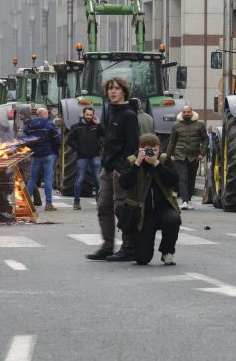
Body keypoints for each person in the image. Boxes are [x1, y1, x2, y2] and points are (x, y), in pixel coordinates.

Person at [86, 77, 140, 261]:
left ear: (124, 91)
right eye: (110, 89)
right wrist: (100, 128)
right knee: (103, 206)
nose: (112, 91)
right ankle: (107, 246)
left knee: (121, 207)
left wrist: (122, 167)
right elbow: (111, 138)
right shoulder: (110, 112)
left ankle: (129, 246)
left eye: (116, 88)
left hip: (119, 169)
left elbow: (133, 145)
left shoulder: (129, 115)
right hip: (107, 167)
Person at [118, 133, 181, 266]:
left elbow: (174, 180)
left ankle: (167, 251)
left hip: (163, 209)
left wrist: (157, 164)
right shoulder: (131, 161)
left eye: (155, 149)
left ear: (159, 149)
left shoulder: (164, 159)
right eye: (147, 149)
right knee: (142, 259)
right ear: (140, 149)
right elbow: (124, 184)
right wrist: (137, 164)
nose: (151, 152)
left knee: (173, 219)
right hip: (142, 213)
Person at [19, 106, 62, 210]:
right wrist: (55, 152)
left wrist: (32, 149)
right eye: (47, 114)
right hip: (48, 154)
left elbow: (24, 140)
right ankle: (48, 204)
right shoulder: (49, 124)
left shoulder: (29, 125)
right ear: (45, 114)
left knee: (32, 179)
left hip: (36, 155)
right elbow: (57, 139)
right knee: (48, 179)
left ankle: (25, 203)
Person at [165, 103, 206, 208]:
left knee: (191, 179)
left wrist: (202, 153)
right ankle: (184, 201)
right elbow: (172, 141)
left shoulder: (200, 125)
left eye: (188, 112)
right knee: (183, 178)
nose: (186, 113)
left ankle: (189, 200)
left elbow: (205, 140)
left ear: (192, 113)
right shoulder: (176, 125)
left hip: (194, 156)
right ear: (182, 113)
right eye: (184, 112)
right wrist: (167, 156)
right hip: (180, 156)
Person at [68, 106, 103, 210]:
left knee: (98, 179)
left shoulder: (96, 126)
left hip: (95, 156)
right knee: (79, 179)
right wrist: (78, 148)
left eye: (91, 115)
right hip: (82, 157)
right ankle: (76, 202)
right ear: (83, 114)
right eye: (87, 114)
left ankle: (99, 201)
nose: (88, 117)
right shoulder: (76, 127)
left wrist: (99, 124)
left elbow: (105, 134)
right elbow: (69, 140)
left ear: (93, 115)